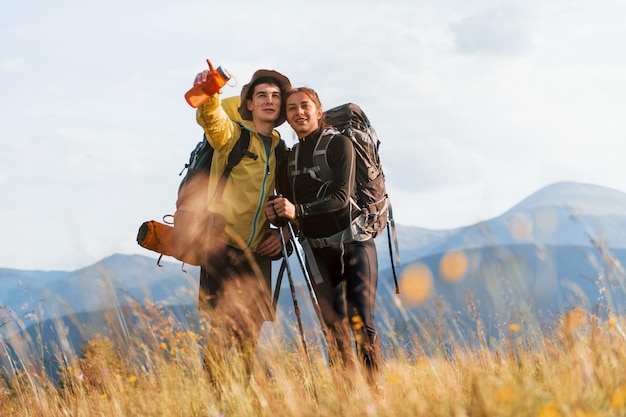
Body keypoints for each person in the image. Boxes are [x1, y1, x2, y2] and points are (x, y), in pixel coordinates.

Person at [265, 87, 382, 383]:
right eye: (292, 109)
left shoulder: (339, 144)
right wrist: (277, 214)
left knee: (361, 323)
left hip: (355, 244)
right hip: (316, 251)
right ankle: (344, 401)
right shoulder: (289, 160)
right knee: (333, 329)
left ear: (318, 111)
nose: (299, 112)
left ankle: (376, 394)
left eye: (305, 106)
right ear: (287, 119)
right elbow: (288, 210)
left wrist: (297, 210)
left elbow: (341, 197)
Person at [191, 67, 292, 387]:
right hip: (221, 244)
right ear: (248, 103)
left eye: (276, 96)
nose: (269, 101)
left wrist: (284, 236)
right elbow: (212, 119)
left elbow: (289, 200)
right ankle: (214, 401)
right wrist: (212, 91)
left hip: (259, 250)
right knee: (222, 331)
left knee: (250, 336)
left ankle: (244, 401)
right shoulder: (232, 136)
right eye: (261, 95)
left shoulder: (280, 149)